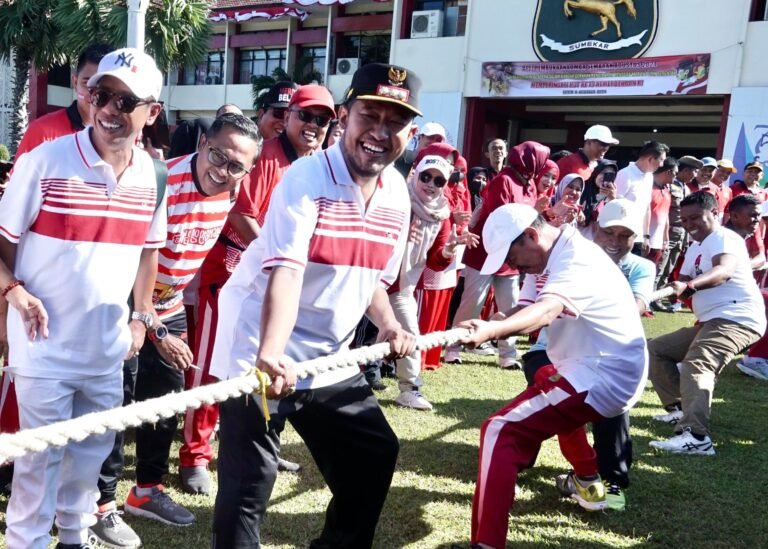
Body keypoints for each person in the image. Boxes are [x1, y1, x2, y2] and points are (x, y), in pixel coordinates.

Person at [207, 62, 420, 548]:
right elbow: (287, 270)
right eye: (370, 116)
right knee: (249, 485)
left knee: (374, 453)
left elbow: (369, 278)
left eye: (396, 122)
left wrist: (387, 324)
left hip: (330, 355)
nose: (380, 133)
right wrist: (271, 351)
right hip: (257, 345)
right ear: (345, 116)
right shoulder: (306, 179)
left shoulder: (396, 196)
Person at [0, 47, 166, 549]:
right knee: (37, 468)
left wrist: (140, 318)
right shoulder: (44, 161)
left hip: (106, 352)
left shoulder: (152, 176)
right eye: (102, 95)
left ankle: (74, 537)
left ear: (152, 112)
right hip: (43, 348)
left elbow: (147, 254)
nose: (110, 109)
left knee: (90, 460)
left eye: (125, 100)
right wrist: (14, 291)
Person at [460, 203, 647, 549]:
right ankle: (588, 479)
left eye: (512, 257)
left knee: (499, 430)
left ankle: (485, 545)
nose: (513, 267)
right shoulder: (547, 255)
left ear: (531, 235)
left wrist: (494, 330)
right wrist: (497, 321)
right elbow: (527, 306)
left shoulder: (576, 257)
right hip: (585, 366)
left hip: (603, 373)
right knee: (545, 387)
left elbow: (547, 311)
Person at [109, 114, 262, 532]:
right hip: (124, 301)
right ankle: (99, 504)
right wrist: (155, 330)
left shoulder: (231, 192)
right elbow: (127, 264)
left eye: (236, 166)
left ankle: (146, 490)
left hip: (170, 302)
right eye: (217, 155)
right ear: (201, 145)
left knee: (166, 399)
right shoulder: (158, 183)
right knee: (116, 400)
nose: (222, 170)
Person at [181, 84, 336, 491]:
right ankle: (194, 455)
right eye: (306, 116)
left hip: (278, 283)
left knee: (266, 368)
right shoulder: (266, 156)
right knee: (213, 367)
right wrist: (277, 256)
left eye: (323, 120)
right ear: (288, 117)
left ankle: (262, 442)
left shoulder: (316, 165)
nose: (313, 126)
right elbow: (240, 214)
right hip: (232, 276)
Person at [522, 198, 654, 512]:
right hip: (548, 350)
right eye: (610, 232)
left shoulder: (641, 268)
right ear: (595, 229)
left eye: (626, 235)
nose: (616, 241)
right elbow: (529, 308)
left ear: (636, 239)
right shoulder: (561, 257)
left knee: (608, 404)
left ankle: (610, 479)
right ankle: (569, 467)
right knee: (551, 387)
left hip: (601, 357)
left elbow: (634, 308)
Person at [648, 191, 765, 455]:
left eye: (695, 218)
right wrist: (673, 288)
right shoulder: (695, 246)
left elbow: (723, 271)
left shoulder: (724, 237)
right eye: (685, 219)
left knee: (698, 362)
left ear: (715, 214)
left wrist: (688, 286)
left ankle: (696, 437)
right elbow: (684, 282)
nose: (689, 225)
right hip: (713, 320)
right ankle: (680, 410)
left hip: (737, 318)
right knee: (657, 349)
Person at [444, 141, 549, 369]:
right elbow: (502, 217)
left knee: (510, 302)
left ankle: (507, 354)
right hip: (487, 251)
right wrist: (535, 212)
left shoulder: (529, 183)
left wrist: (539, 212)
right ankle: (453, 346)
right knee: (473, 301)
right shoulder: (504, 180)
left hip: (513, 255)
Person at [390, 155, 478, 409]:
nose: (430, 184)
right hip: (369, 278)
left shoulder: (441, 215)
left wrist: (450, 248)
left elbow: (435, 262)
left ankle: (409, 388)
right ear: (416, 174)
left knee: (409, 332)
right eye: (426, 176)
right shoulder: (396, 199)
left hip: (401, 287)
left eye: (438, 180)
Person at [15, 43, 113, 159]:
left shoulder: (123, 135)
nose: (95, 94)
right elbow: (20, 177)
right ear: (75, 83)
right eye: (87, 84)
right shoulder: (42, 131)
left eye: (104, 86)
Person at [656, 155, 701, 310]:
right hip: (668, 230)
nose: (695, 175)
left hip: (681, 232)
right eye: (694, 171)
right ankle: (652, 296)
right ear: (686, 170)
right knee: (660, 265)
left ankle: (659, 297)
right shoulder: (669, 185)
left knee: (669, 267)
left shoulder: (686, 188)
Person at [615, 140, 670, 255]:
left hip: (638, 238)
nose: (662, 165)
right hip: (621, 237)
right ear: (650, 159)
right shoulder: (624, 174)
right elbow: (614, 205)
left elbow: (646, 207)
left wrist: (646, 236)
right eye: (661, 160)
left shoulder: (649, 177)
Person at [167, 103, 243, 159]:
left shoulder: (244, 144)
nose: (232, 121)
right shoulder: (194, 127)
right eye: (228, 117)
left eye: (237, 119)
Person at [647, 157, 677, 268]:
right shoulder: (647, 187)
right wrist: (645, 238)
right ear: (669, 171)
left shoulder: (666, 191)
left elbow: (665, 217)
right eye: (675, 173)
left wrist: (666, 239)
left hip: (658, 243)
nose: (676, 176)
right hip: (645, 243)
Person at [578, 158, 618, 240]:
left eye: (610, 175)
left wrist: (613, 200)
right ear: (596, 173)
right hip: (576, 235)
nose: (605, 178)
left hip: (595, 240)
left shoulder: (611, 195)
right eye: (603, 173)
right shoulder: (581, 188)